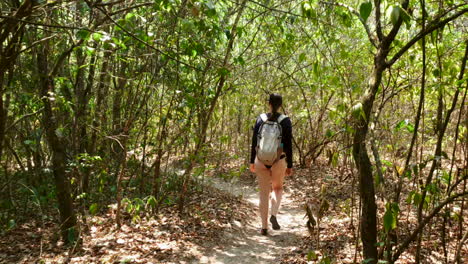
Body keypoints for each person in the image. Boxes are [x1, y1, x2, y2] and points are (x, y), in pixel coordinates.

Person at [250, 93, 293, 236]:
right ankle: (273, 214)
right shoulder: (285, 121)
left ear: (269, 103)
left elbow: (254, 143)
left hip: (261, 160)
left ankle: (264, 227)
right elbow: (288, 144)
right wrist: (290, 164)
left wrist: (252, 161)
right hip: (278, 160)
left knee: (263, 194)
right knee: (278, 188)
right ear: (280, 105)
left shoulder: (260, 119)